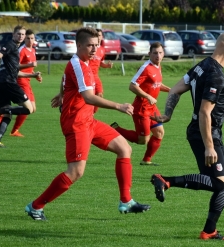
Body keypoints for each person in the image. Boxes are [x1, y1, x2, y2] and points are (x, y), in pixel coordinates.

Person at [24, 27, 150, 221]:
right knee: (76, 171)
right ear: (79, 45)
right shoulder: (77, 64)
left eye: (97, 45)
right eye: (90, 45)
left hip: (88, 121)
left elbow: (67, 79)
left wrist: (63, 93)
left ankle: (126, 201)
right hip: (76, 124)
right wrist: (118, 106)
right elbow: (89, 97)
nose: (94, 49)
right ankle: (35, 206)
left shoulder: (85, 62)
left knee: (124, 148)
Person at [149, 31, 224, 240]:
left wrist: (168, 115)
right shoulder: (216, 75)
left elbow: (174, 90)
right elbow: (204, 112)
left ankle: (209, 230)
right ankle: (166, 181)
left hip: (208, 132)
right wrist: (209, 146)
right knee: (218, 183)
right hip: (205, 134)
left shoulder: (203, 65)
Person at [111, 42, 170, 166]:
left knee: (159, 132)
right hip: (141, 108)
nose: (158, 56)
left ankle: (146, 160)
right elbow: (132, 86)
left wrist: (171, 90)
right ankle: (116, 129)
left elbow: (157, 84)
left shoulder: (158, 66)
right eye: (155, 53)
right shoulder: (146, 68)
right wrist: (148, 96)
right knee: (142, 140)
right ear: (149, 54)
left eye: (160, 53)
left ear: (163, 54)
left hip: (151, 107)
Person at [0, 25, 41, 148]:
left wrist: (33, 75)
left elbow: (16, 71)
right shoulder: (10, 46)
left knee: (8, 115)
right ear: (13, 35)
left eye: (22, 34)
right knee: (29, 109)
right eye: (18, 34)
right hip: (7, 82)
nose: (21, 36)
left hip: (0, 84)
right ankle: (0, 111)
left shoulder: (14, 49)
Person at [10, 29, 42, 137]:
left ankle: (4, 112)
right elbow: (15, 66)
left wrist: (36, 75)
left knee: (33, 109)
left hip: (28, 80)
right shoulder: (22, 50)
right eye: (28, 38)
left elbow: (30, 69)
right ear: (24, 39)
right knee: (28, 108)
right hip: (20, 80)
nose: (30, 40)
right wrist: (29, 64)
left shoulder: (32, 50)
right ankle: (13, 130)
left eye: (32, 38)